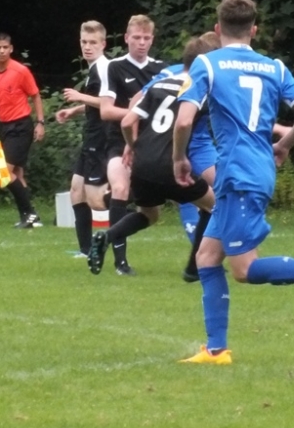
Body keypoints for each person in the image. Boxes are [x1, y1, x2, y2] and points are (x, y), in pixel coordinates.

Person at [173, 0, 294, 365]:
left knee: (244, 270)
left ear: (217, 29)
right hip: (250, 171)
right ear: (254, 30)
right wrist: (284, 145)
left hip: (239, 175)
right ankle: (216, 350)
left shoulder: (207, 63)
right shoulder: (274, 67)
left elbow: (183, 121)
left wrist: (179, 157)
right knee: (207, 256)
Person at [88, 35, 218, 278]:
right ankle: (194, 269)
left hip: (142, 164)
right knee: (215, 206)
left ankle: (106, 236)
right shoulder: (199, 89)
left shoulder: (160, 83)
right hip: (170, 164)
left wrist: (132, 146)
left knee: (149, 214)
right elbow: (185, 123)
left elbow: (127, 121)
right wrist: (179, 157)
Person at [98, 14, 165, 275]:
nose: (141, 43)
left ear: (152, 40)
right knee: (121, 187)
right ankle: (120, 262)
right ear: (126, 38)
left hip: (152, 144)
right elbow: (106, 110)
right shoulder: (114, 67)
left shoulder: (161, 70)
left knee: (152, 214)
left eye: (146, 38)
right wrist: (136, 114)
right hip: (120, 141)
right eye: (136, 37)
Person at [55, 21, 110, 256]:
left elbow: (109, 103)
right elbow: (96, 101)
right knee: (76, 190)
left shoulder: (104, 68)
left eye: (93, 42)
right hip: (90, 137)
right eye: (84, 42)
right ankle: (86, 250)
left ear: (103, 44)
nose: (87, 47)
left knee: (96, 200)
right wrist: (75, 110)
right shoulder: (94, 69)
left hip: (101, 138)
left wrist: (79, 97)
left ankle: (137, 210)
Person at [0, 32, 46, 228]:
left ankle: (30, 214)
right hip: (3, 126)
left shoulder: (20, 71)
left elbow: (35, 95)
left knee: (1, 173)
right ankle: (30, 217)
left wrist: (40, 122)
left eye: (5, 47)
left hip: (21, 125)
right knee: (17, 174)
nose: (2, 51)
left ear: (11, 49)